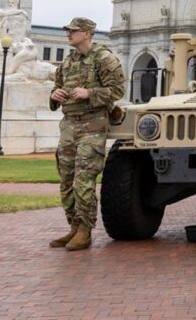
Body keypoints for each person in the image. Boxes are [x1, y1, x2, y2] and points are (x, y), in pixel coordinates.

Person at [47, 17, 125, 251]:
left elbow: (118, 90)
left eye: (74, 31)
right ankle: (73, 226)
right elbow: (56, 88)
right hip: (69, 125)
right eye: (68, 30)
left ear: (88, 33)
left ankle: (85, 230)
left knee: (84, 179)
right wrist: (55, 95)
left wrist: (90, 92)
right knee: (66, 179)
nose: (69, 34)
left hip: (92, 125)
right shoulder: (68, 61)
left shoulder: (104, 58)